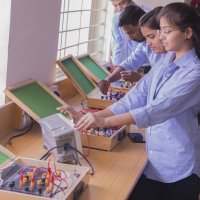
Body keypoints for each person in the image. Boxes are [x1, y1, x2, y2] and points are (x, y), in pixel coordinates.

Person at [58, 3, 200, 200]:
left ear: (187, 33)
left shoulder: (195, 72)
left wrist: (104, 122)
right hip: (155, 159)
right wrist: (92, 116)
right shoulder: (165, 62)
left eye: (167, 31)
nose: (161, 37)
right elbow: (134, 98)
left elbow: (156, 110)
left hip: (179, 165)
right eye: (161, 31)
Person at [99, 5, 165, 94]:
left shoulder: (168, 49)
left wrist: (139, 77)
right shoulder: (143, 44)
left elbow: (166, 81)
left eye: (132, 32)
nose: (130, 38)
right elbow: (129, 63)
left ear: (141, 25)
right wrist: (108, 80)